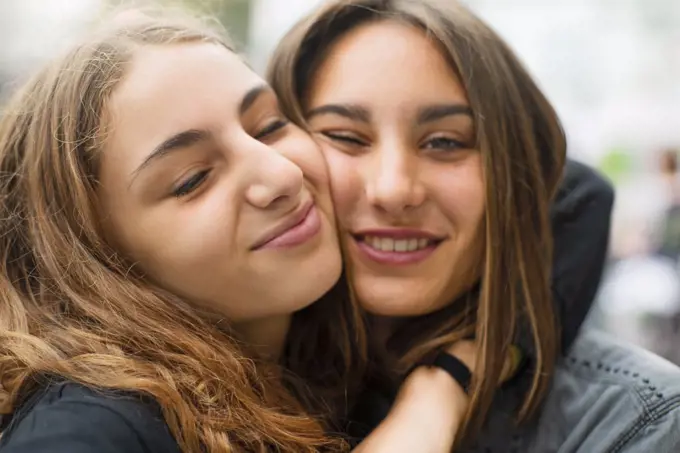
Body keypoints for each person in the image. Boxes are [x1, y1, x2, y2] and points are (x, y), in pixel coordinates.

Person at [0, 8, 516, 453]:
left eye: (268, 125)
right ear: (96, 256)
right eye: (193, 179)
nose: (282, 175)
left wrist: (441, 386)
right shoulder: (96, 420)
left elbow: (562, 198)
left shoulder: (318, 356)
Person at [267, 0, 680, 450]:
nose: (393, 189)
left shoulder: (633, 422)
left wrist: (447, 380)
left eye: (446, 142)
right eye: (345, 137)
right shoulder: (202, 388)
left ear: (513, 176)